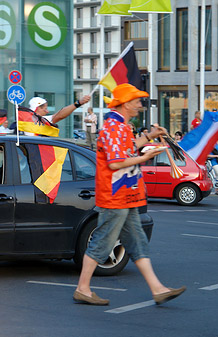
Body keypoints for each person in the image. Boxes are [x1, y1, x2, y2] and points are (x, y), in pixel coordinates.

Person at [73, 83, 186, 306]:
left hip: (125, 195)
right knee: (103, 242)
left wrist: (150, 136)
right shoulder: (114, 127)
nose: (140, 105)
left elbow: (127, 148)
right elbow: (116, 163)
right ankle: (82, 288)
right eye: (136, 101)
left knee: (136, 242)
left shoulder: (119, 125)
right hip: (116, 197)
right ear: (125, 104)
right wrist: (144, 158)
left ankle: (157, 288)